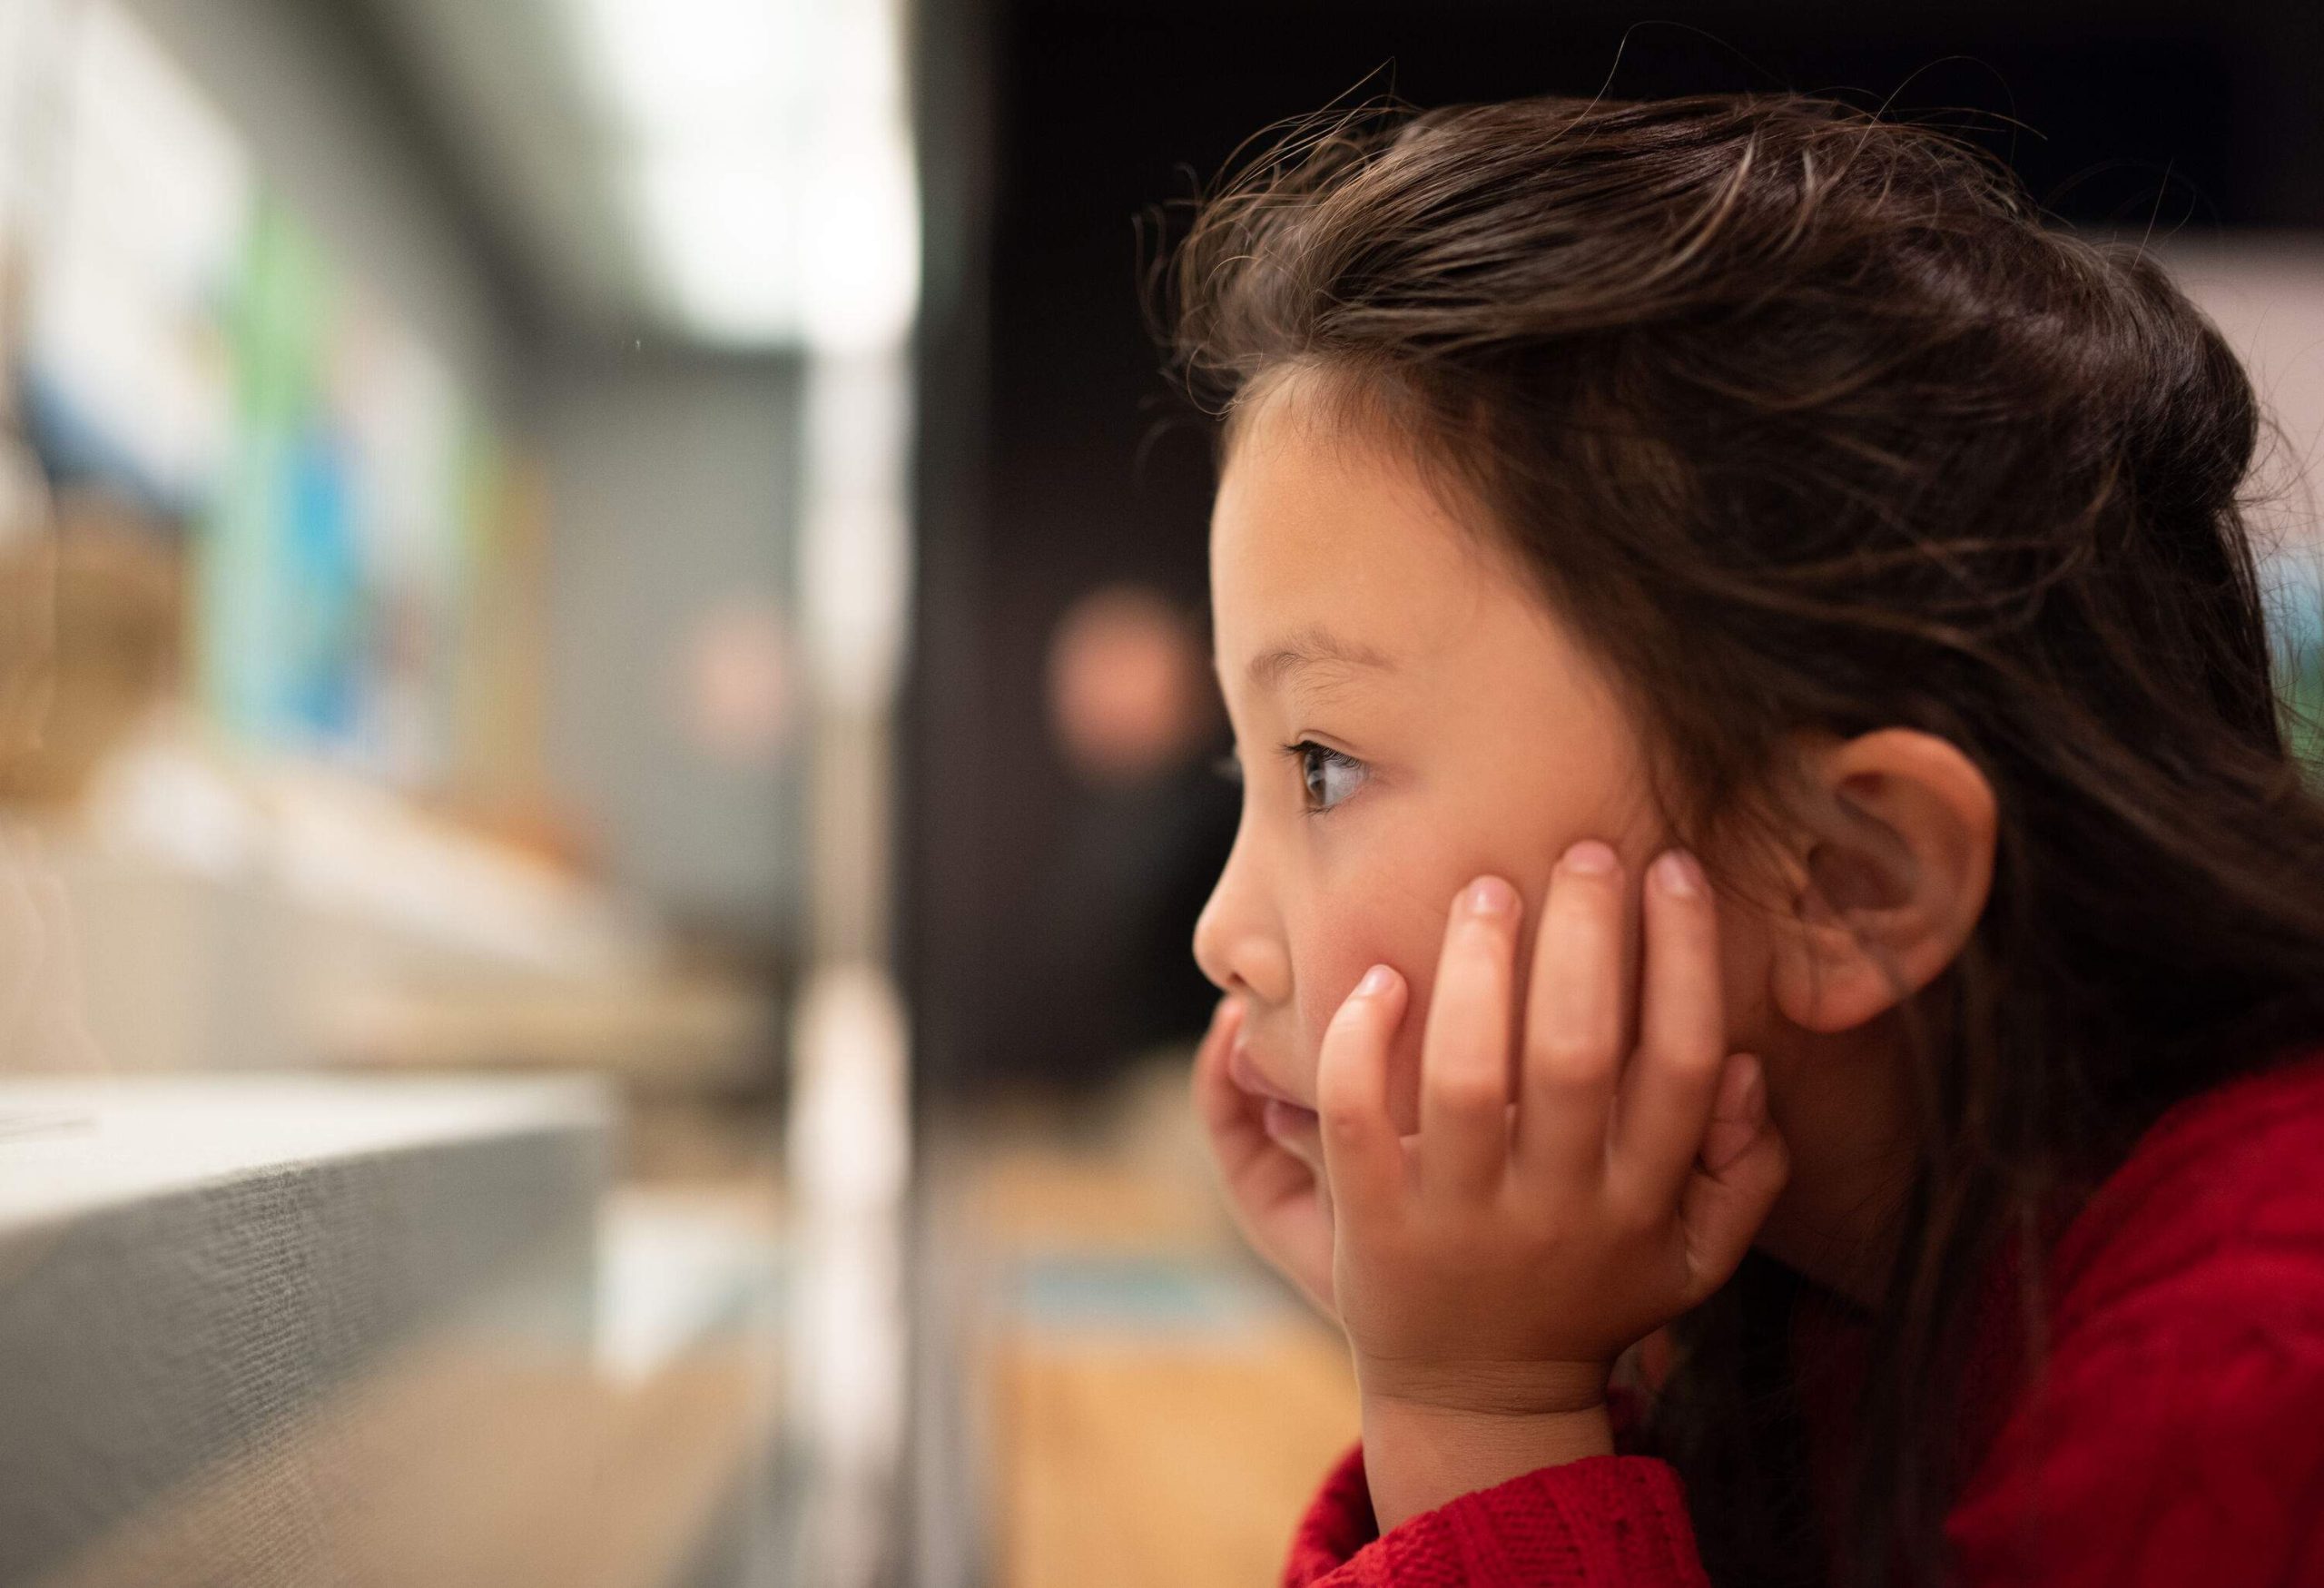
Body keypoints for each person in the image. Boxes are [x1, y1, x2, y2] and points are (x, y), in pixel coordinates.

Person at [1168, 94, 2324, 1586]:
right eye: (1246, 764)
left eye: (1322, 766)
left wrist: (1481, 1409)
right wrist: (1549, 1363)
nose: (1223, 930)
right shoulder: (1810, 1295)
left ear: (1849, 880)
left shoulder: (2253, 1372)